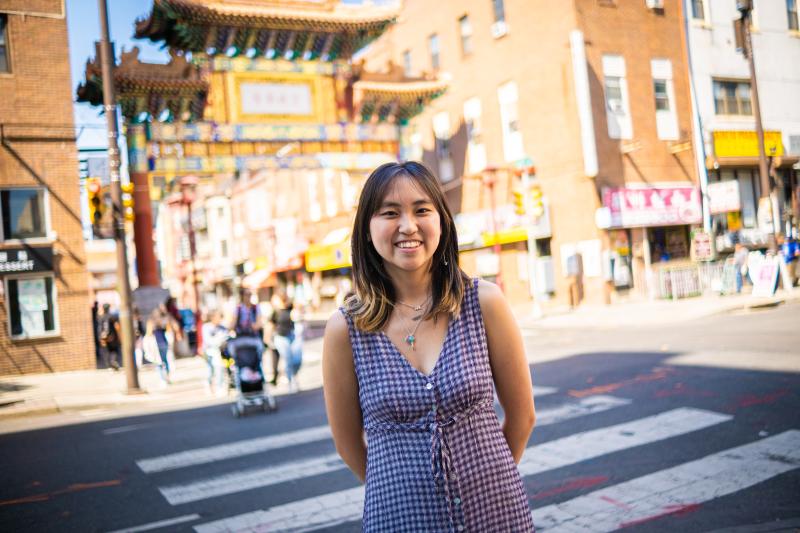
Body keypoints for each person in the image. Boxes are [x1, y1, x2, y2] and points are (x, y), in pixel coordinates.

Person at [322, 161, 536, 531]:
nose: (408, 226)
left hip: (496, 512)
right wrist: (396, 487)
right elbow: (346, 442)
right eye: (390, 213)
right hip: (399, 519)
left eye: (422, 210)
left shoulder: (484, 303)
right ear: (367, 229)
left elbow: (522, 416)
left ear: (441, 221)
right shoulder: (346, 329)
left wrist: (487, 479)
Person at [271, 295, 303, 393]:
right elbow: (271, 324)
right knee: (288, 359)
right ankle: (290, 382)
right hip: (280, 337)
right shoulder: (276, 312)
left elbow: (298, 314)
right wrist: (269, 339)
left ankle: (294, 377)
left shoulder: (290, 309)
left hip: (291, 336)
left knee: (297, 359)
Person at [201, 310, 229, 395]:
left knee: (219, 369)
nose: (220, 320)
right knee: (210, 371)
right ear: (213, 318)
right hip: (209, 352)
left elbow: (227, 336)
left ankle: (219, 387)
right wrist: (218, 340)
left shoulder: (222, 328)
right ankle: (208, 385)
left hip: (219, 353)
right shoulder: (206, 327)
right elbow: (208, 340)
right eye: (218, 318)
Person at [97, 303, 121, 370]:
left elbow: (100, 328)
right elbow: (117, 326)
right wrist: (119, 336)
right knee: (115, 350)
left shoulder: (101, 317)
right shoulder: (112, 316)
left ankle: (109, 365)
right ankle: (113, 362)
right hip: (112, 337)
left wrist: (100, 338)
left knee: (107, 351)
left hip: (104, 337)